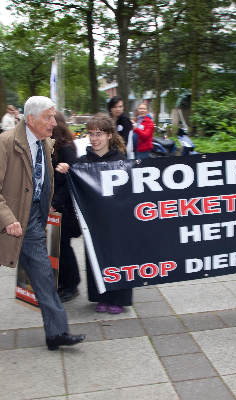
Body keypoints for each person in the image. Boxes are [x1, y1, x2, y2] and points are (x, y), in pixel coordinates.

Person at [0, 96, 85, 351]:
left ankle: (56, 333)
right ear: (32, 119)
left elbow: (39, 181)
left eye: (54, 115)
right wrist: (8, 219)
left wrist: (45, 203)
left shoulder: (45, 143)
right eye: (48, 117)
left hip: (32, 222)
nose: (53, 121)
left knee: (44, 276)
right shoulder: (5, 143)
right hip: (3, 225)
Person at [80, 113, 132, 314]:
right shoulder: (83, 161)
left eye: (99, 134)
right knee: (96, 257)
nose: (94, 138)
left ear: (110, 135)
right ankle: (100, 296)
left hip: (117, 221)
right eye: (91, 134)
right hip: (94, 221)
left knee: (118, 258)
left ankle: (118, 298)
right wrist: (66, 170)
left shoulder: (121, 161)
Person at [51, 111, 82, 303]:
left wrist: (54, 203)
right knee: (58, 245)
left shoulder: (65, 147)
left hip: (64, 206)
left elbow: (69, 179)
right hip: (57, 205)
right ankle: (63, 282)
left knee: (63, 245)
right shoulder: (54, 145)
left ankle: (71, 284)